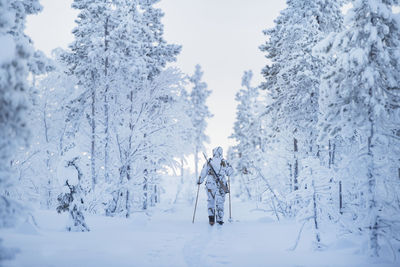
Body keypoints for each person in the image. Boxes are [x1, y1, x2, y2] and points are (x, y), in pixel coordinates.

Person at [197, 147, 233, 225]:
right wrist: (229, 167)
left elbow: (203, 172)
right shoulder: (224, 162)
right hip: (221, 185)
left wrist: (200, 181)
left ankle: (211, 219)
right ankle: (220, 219)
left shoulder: (209, 161)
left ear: (214, 152)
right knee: (220, 202)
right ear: (221, 152)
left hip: (210, 184)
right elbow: (229, 172)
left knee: (211, 201)